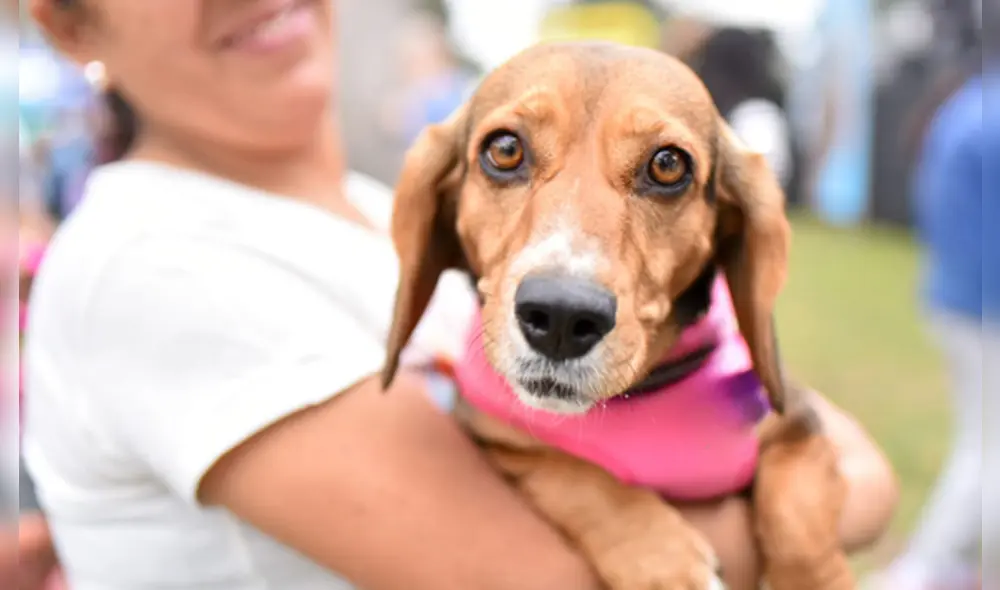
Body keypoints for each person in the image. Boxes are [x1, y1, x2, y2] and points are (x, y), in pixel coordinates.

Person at [23, 1, 897, 589]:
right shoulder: (147, 270)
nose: (562, 284)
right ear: (67, 23)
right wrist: (812, 524)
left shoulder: (382, 216)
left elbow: (849, 459)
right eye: (510, 155)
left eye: (663, 170)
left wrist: (821, 473)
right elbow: (546, 580)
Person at [865, 40, 985, 590]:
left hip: (956, 298)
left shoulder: (966, 107)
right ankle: (925, 570)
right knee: (988, 451)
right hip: (985, 309)